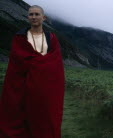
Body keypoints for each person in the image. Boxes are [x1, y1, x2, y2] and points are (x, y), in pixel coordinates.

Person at [0, 5, 65, 138]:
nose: (34, 17)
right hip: (24, 84)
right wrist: (38, 64)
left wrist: (40, 66)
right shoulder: (19, 37)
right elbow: (17, 62)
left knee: (45, 114)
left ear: (44, 18)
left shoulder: (51, 38)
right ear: (27, 17)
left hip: (46, 86)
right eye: (31, 14)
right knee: (22, 113)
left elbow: (55, 63)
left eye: (37, 14)